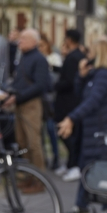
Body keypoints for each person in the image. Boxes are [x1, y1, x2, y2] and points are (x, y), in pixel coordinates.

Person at [57, 40, 107, 213]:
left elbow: (93, 102)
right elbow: (81, 96)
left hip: (103, 130)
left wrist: (71, 117)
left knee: (103, 169)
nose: (86, 55)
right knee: (86, 167)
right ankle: (82, 206)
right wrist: (81, 76)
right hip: (93, 130)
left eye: (89, 52)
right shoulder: (95, 75)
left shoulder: (104, 76)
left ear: (98, 53)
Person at [4, 29, 51, 193]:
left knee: (33, 144)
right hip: (20, 104)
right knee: (23, 143)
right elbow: (19, 81)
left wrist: (17, 97)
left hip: (31, 105)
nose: (20, 41)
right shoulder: (24, 57)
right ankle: (30, 177)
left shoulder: (39, 59)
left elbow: (40, 85)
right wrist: (9, 94)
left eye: (23, 38)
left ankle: (40, 181)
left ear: (34, 41)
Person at [53, 30, 85, 180]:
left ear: (69, 40)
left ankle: (74, 165)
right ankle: (70, 164)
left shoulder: (73, 57)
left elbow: (69, 80)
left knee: (67, 134)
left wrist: (54, 85)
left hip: (67, 103)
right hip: (72, 102)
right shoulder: (76, 56)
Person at [38, 33, 62, 170]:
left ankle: (56, 157)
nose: (40, 48)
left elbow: (55, 79)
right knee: (39, 131)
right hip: (39, 99)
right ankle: (44, 158)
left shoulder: (54, 58)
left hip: (50, 100)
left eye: (42, 45)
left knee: (51, 129)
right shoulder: (38, 59)